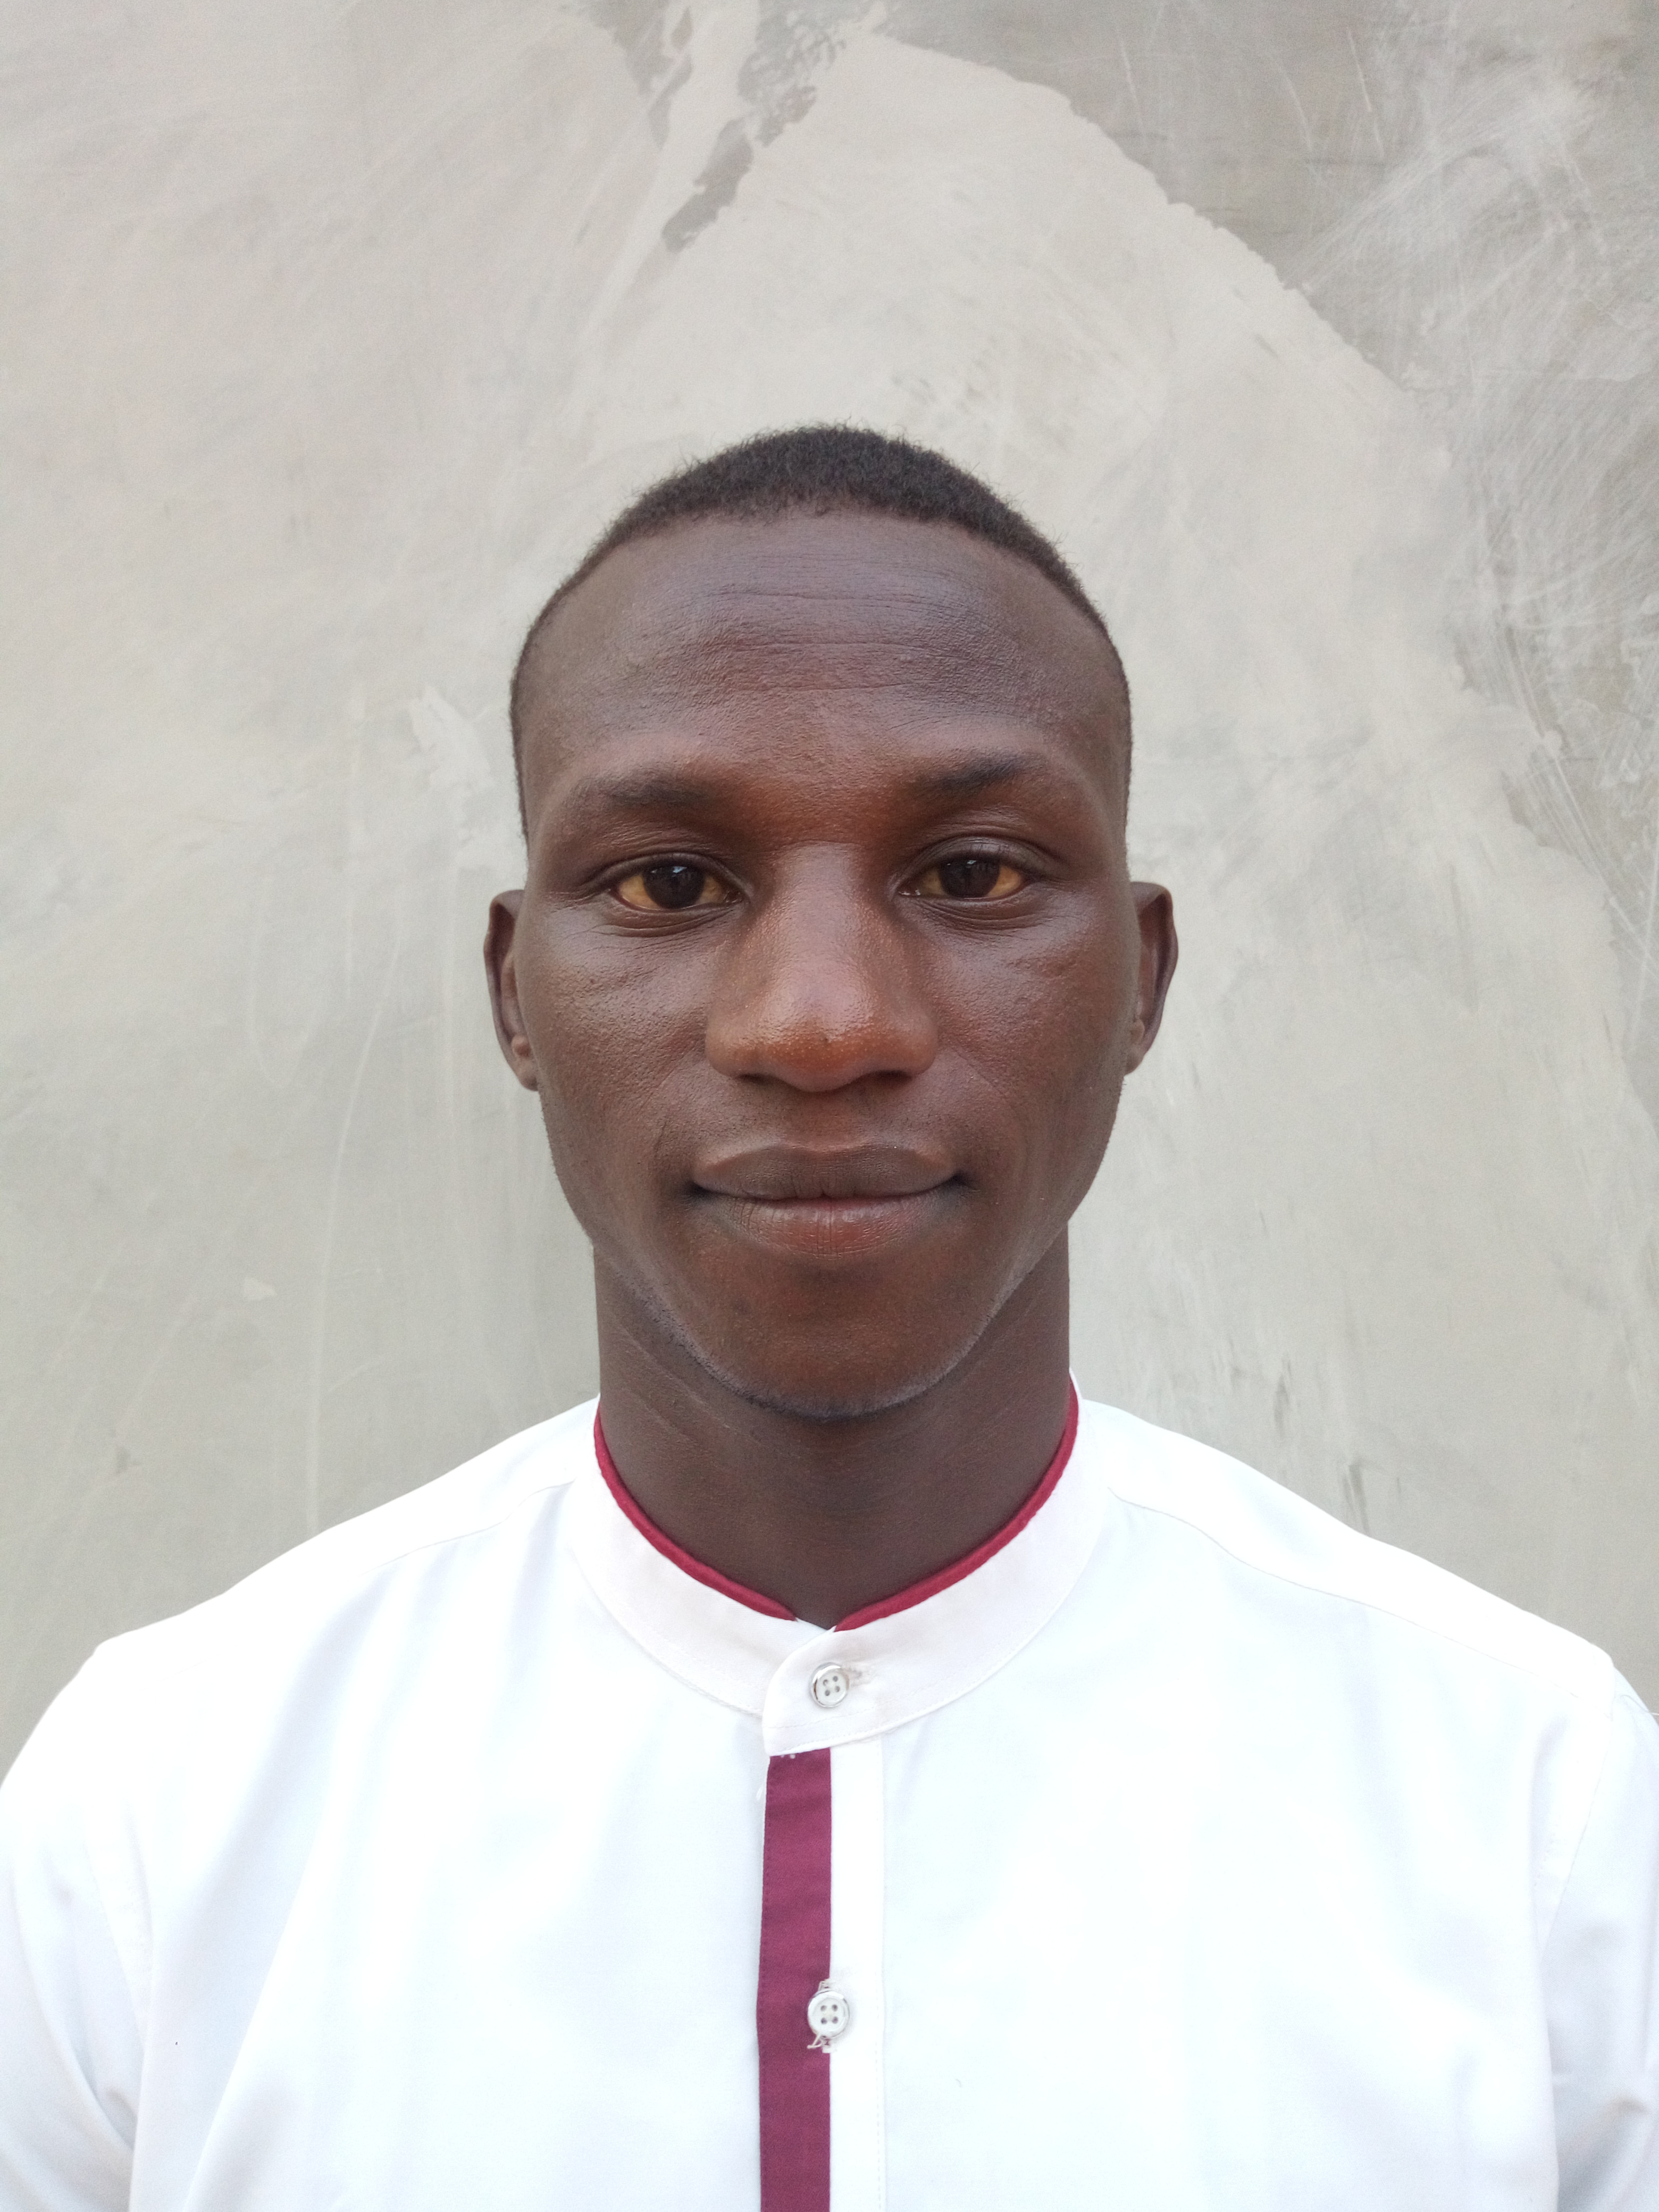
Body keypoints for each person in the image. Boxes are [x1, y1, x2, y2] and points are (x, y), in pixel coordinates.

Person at [1, 426, 1655, 2212]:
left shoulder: (1529, 1803)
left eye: (972, 874)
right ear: (517, 998)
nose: (817, 1023)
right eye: (668, 883)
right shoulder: (165, 1800)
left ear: (1142, 981)